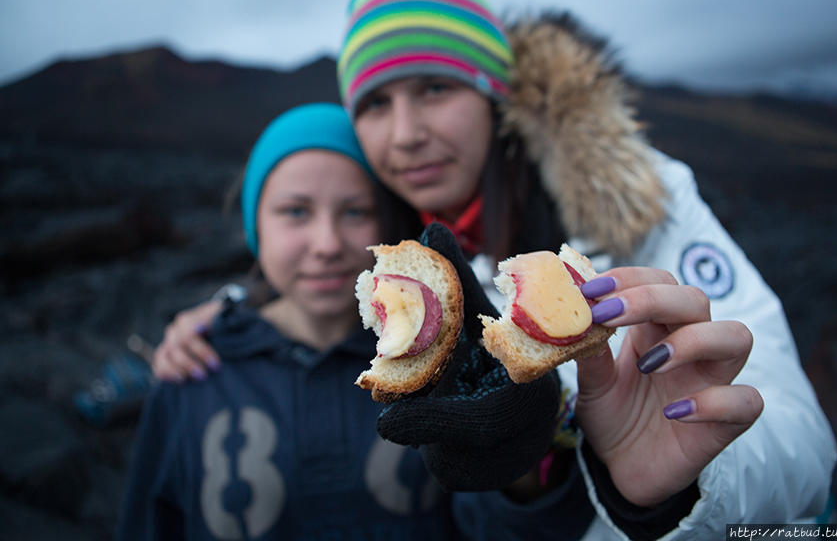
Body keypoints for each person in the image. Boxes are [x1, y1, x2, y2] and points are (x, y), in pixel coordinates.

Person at [153, 0, 837, 539]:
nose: (405, 135)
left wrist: (692, 482)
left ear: (493, 95)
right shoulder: (400, 261)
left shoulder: (632, 201)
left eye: (435, 88)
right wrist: (234, 316)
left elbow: (798, 436)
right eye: (375, 104)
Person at [118, 103, 594, 539]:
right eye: (295, 211)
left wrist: (528, 461)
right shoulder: (189, 376)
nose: (326, 243)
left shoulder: (446, 369)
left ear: (388, 224)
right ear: (253, 226)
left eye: (355, 211)